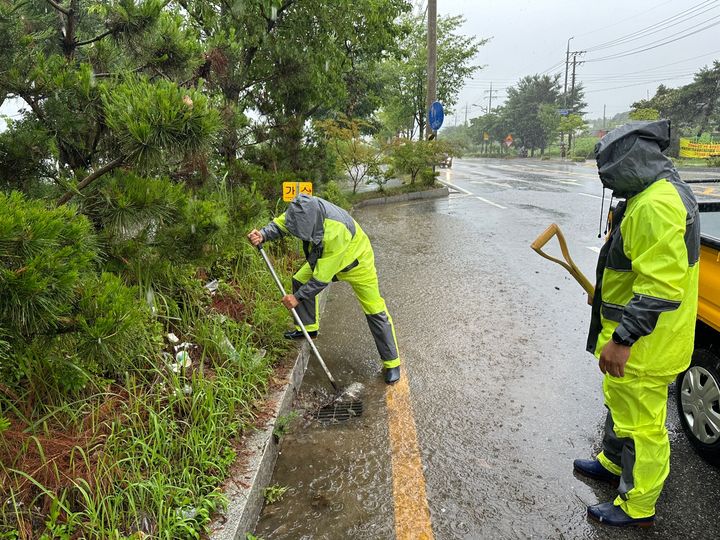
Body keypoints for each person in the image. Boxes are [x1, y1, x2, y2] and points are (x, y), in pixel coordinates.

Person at [574, 120, 700, 527]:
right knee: (621, 405)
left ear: (631, 161)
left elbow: (661, 286)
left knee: (643, 426)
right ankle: (613, 462)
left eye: (610, 170)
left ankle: (638, 505)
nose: (607, 180)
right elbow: (635, 268)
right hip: (637, 337)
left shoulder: (655, 204)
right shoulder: (650, 192)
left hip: (646, 344)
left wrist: (624, 337)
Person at [247, 194, 401, 384]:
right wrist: (263, 234)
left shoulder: (336, 231)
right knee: (299, 279)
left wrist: (297, 298)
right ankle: (308, 329)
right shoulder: (302, 209)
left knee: (375, 309)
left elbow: (321, 278)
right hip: (324, 258)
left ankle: (392, 362)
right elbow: (281, 224)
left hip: (357, 263)